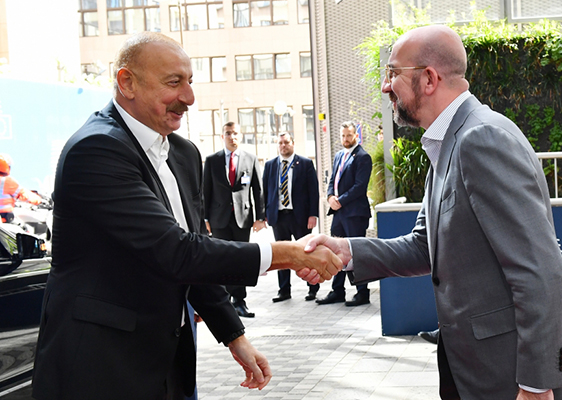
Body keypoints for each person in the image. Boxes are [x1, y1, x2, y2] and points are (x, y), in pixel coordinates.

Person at [31, 32, 340, 400]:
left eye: (190, 81)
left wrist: (234, 335)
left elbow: (195, 251)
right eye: (173, 82)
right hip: (101, 366)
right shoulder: (96, 150)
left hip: (170, 360)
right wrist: (288, 253)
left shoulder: (183, 153)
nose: (189, 97)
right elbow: (176, 252)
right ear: (127, 83)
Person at [304, 26, 562, 399]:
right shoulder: (449, 142)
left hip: (522, 379)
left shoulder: (480, 139)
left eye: (393, 73)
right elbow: (423, 246)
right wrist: (346, 250)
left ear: (429, 79)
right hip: (491, 372)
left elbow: (539, 268)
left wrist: (536, 385)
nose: (385, 86)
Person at [203, 122, 265, 318]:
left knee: (240, 259)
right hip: (218, 219)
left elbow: (258, 190)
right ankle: (223, 301)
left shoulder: (250, 159)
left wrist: (260, 217)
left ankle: (239, 301)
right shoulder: (212, 160)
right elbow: (205, 191)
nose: (232, 137)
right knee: (221, 259)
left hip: (242, 218)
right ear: (222, 136)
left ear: (241, 135)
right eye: (228, 133)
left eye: (235, 133)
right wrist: (205, 218)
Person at [315, 121, 372, 307]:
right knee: (335, 250)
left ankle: (362, 292)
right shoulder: (339, 155)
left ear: (356, 135)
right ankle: (337, 290)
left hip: (354, 214)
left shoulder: (363, 157)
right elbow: (333, 179)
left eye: (349, 135)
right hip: (339, 214)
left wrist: (340, 201)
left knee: (356, 253)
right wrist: (330, 196)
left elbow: (360, 186)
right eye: (343, 135)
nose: (345, 139)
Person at [263, 132, 320, 302]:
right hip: (279, 216)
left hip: (299, 216)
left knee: (306, 252)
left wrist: (313, 214)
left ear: (293, 143)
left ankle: (313, 288)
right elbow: (265, 191)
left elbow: (313, 191)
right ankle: (284, 290)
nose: (283, 146)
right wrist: (265, 214)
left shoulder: (305, 163)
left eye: (286, 142)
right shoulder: (270, 165)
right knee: (281, 254)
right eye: (280, 143)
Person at [0, 153, 42, 223]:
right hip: (4, 220)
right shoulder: (6, 181)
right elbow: (26, 195)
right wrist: (39, 200)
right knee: (25, 227)